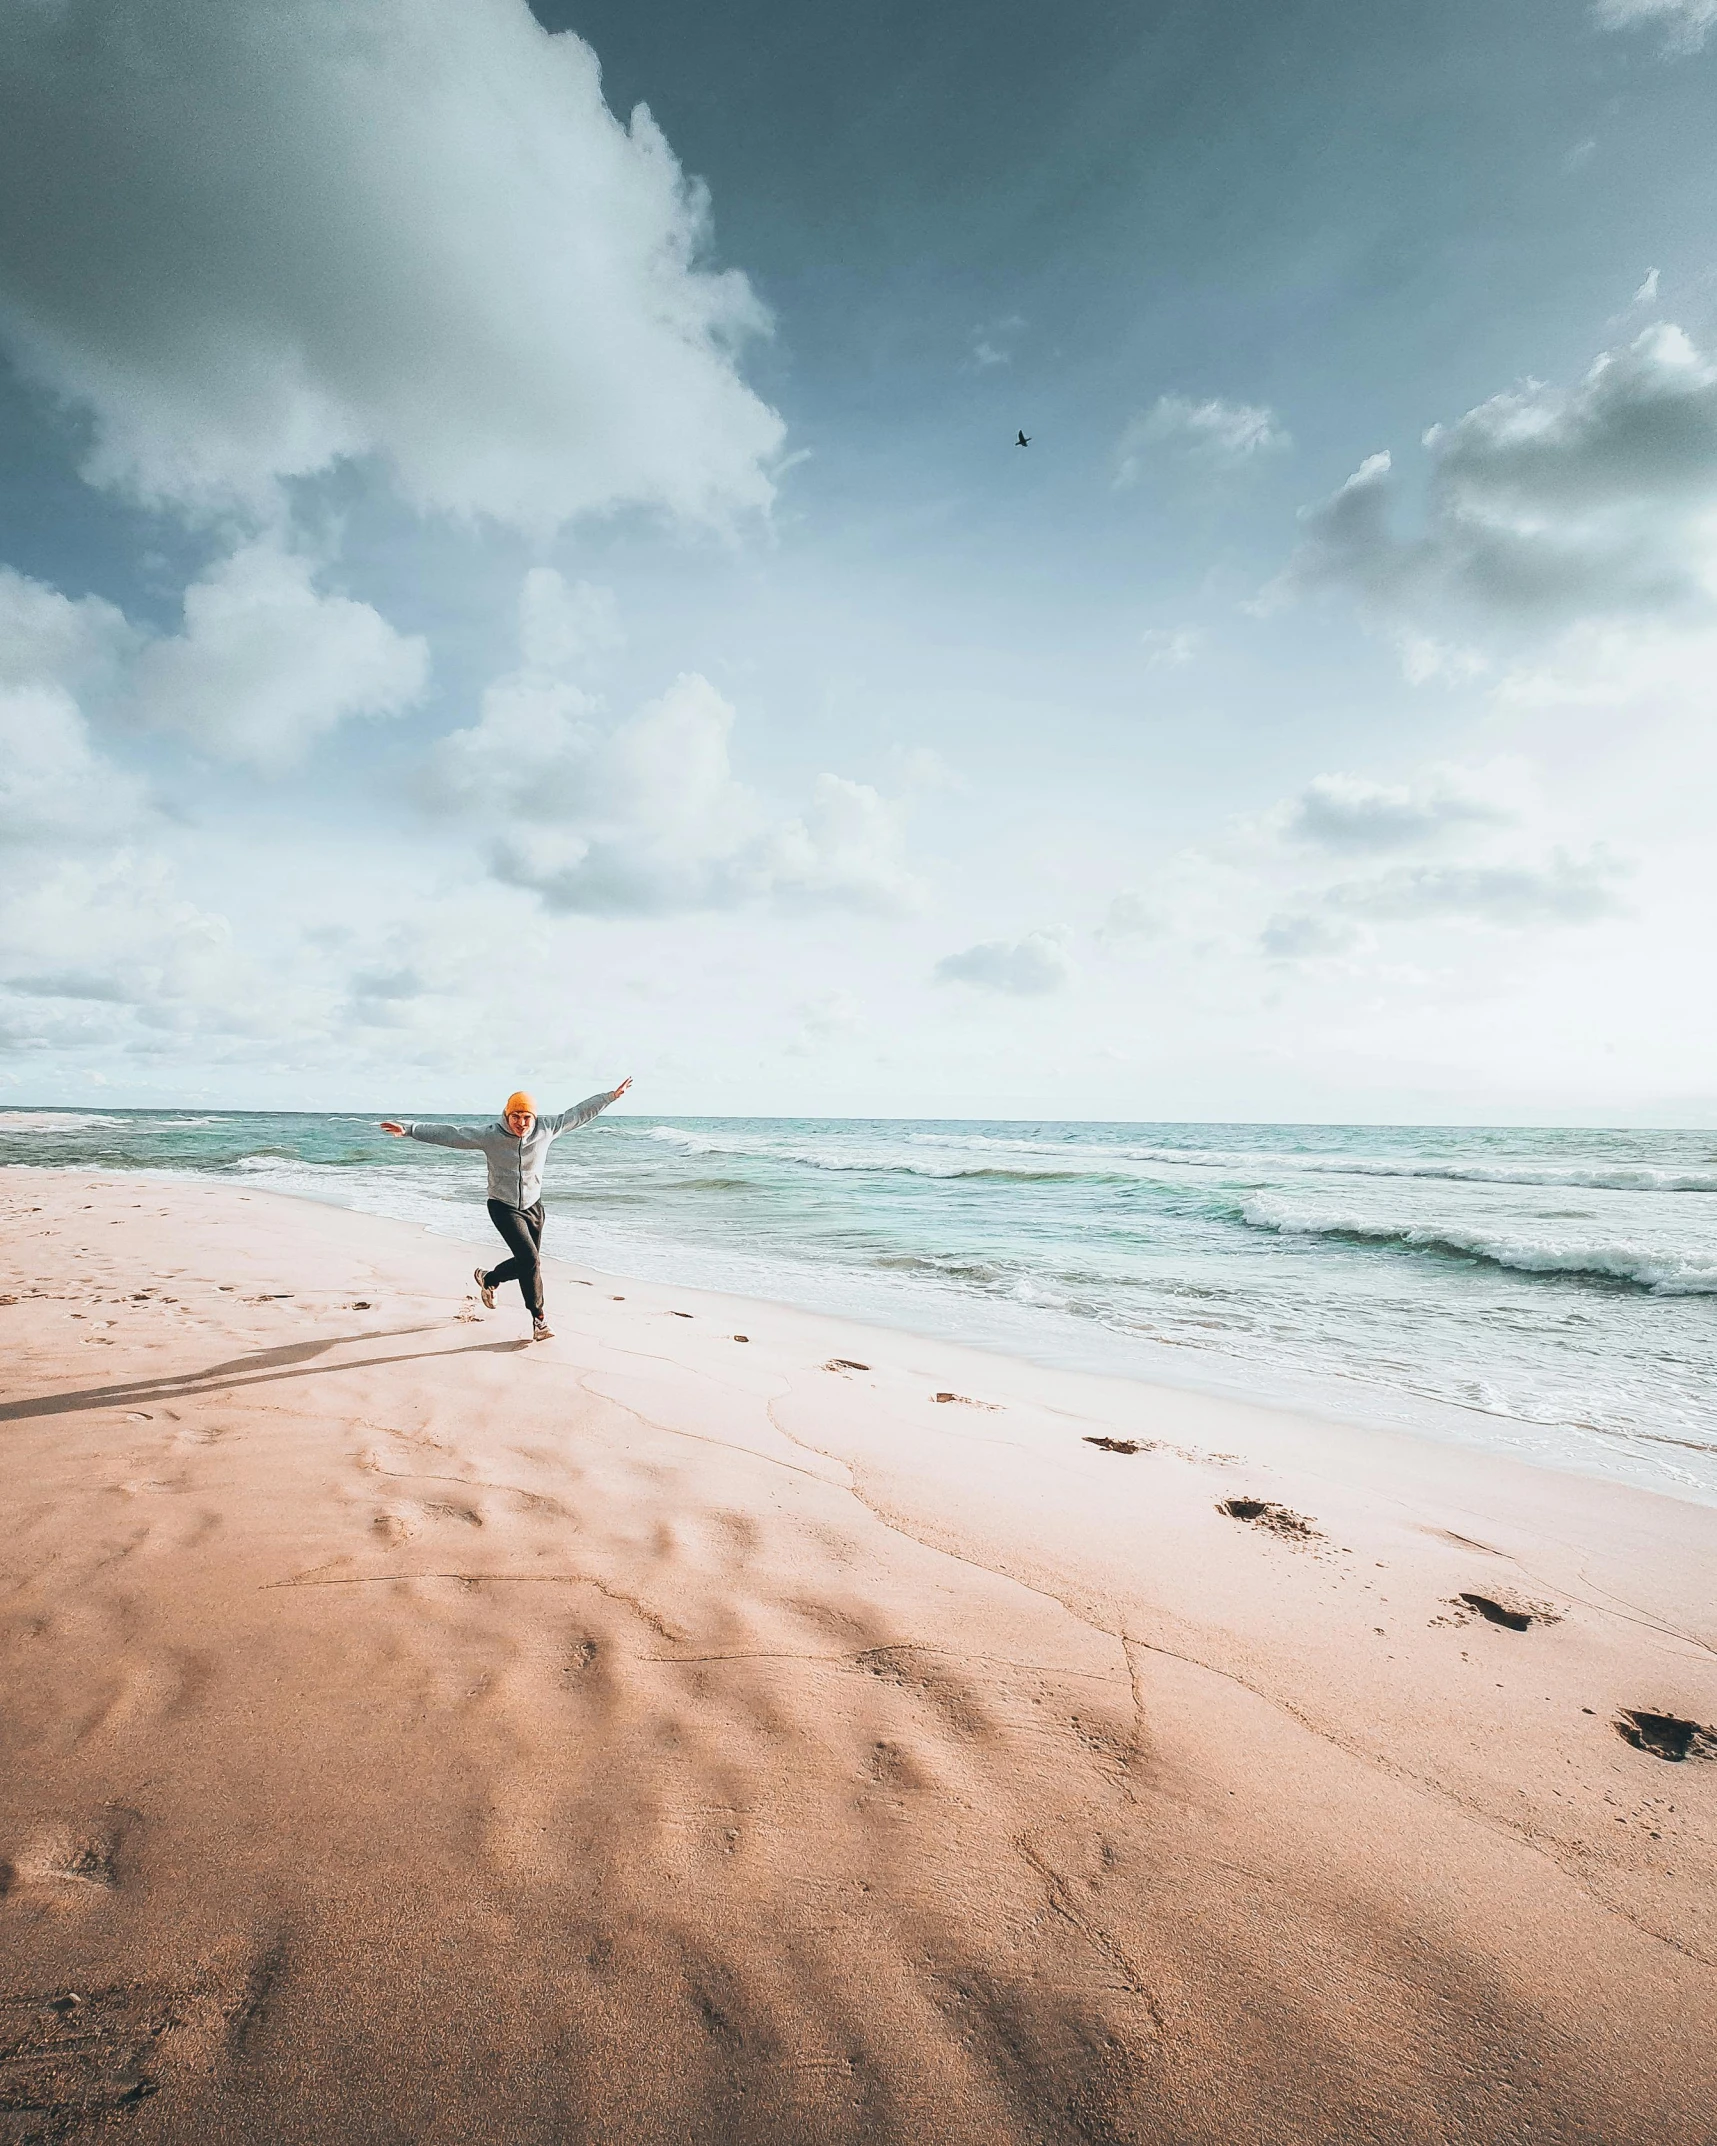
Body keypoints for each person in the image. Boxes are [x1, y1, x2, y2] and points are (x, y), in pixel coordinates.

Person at [379, 1079, 631, 1341]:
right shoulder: (491, 1135)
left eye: (526, 1117)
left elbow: (578, 1114)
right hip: (503, 1206)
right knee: (530, 1260)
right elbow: (452, 1134)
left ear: (534, 1117)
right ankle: (539, 1320)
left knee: (528, 1263)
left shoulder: (547, 1128)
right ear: (506, 1115)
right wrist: (410, 1129)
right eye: (515, 1117)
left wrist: (610, 1096)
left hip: (534, 1207)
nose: (521, 1123)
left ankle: (489, 1278)